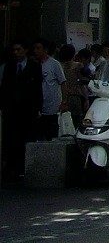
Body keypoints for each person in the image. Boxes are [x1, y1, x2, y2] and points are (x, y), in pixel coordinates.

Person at [0, 41, 42, 180]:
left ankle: (24, 167)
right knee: (11, 138)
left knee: (26, 137)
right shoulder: (10, 66)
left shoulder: (34, 66)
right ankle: (11, 168)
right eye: (14, 50)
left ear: (25, 50)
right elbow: (5, 87)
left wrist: (38, 107)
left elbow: (37, 88)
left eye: (18, 49)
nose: (16, 52)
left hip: (28, 109)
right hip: (11, 109)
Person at [31, 39, 66, 141]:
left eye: (38, 48)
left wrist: (64, 101)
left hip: (53, 107)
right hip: (38, 107)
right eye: (34, 48)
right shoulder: (33, 65)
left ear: (45, 50)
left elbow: (63, 83)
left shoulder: (54, 64)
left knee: (52, 135)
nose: (36, 51)